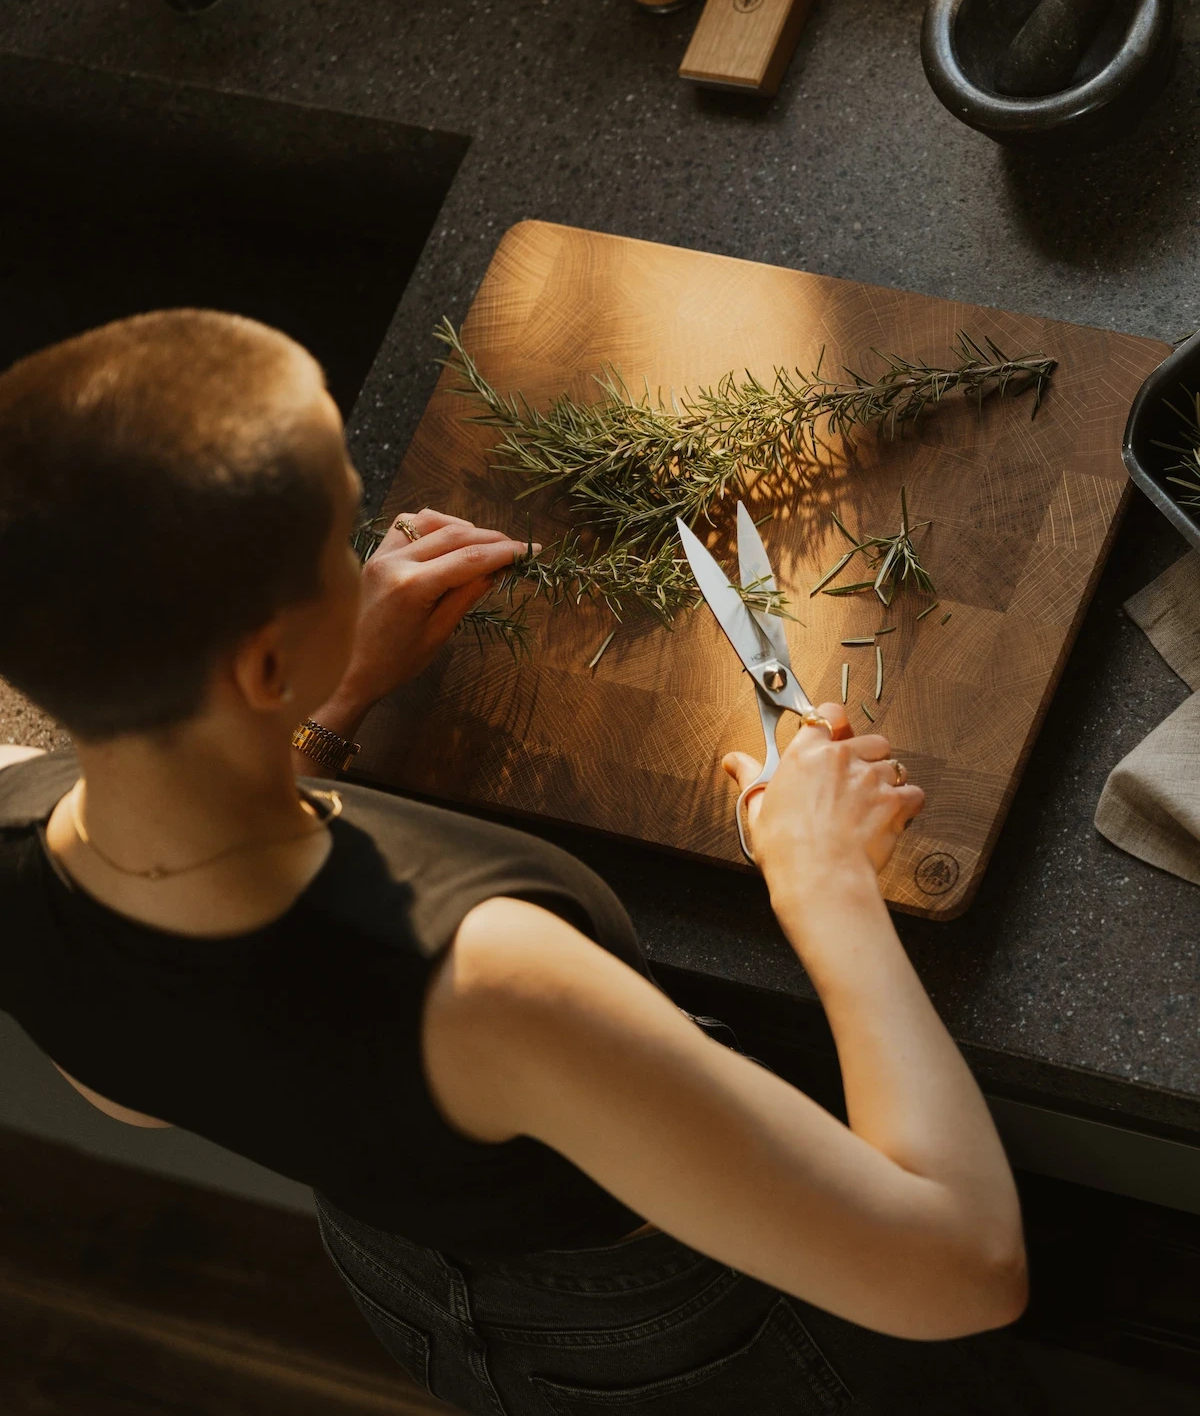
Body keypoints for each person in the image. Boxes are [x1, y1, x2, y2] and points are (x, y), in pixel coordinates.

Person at [0, 311, 1034, 1415]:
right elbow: (962, 1269)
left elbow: (134, 1089)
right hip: (655, 1331)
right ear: (259, 657)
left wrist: (316, 701)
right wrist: (827, 889)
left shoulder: (18, 805)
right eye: (340, 547)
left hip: (399, 1265)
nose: (369, 563)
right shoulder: (490, 976)